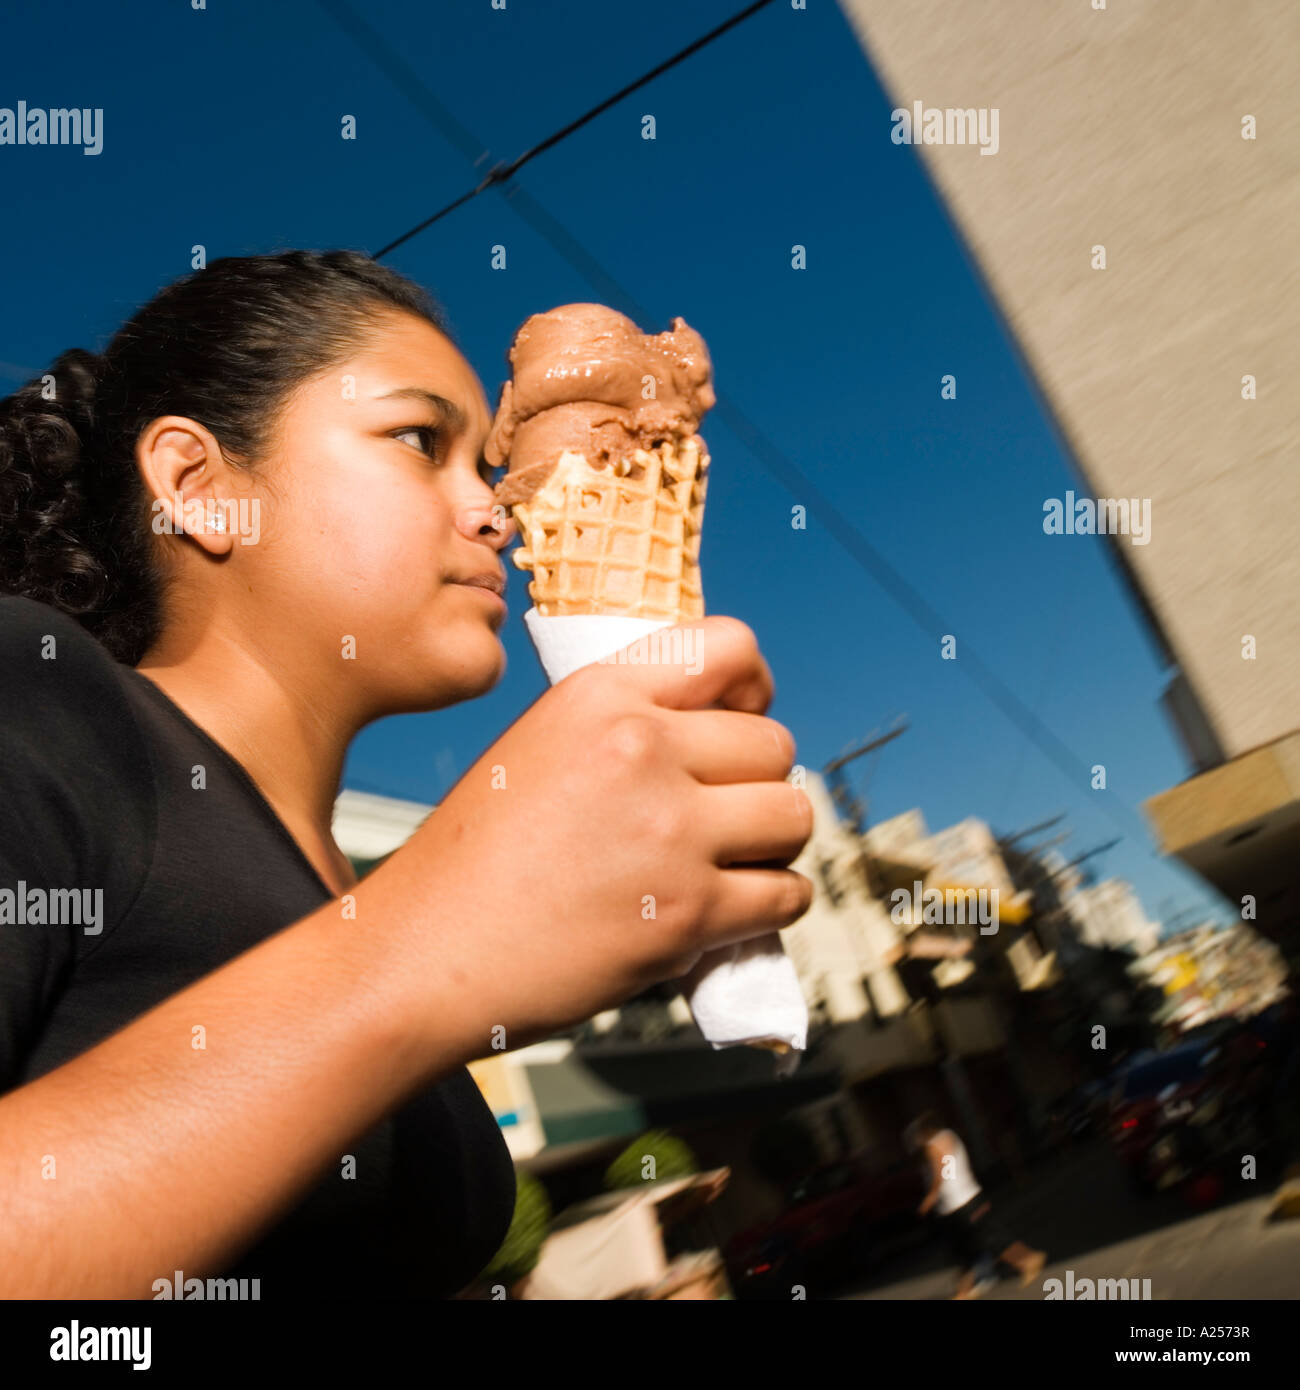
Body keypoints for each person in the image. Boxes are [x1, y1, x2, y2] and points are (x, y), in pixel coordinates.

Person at [0, 250, 814, 1297]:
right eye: (420, 441)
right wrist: (418, 954)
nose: (493, 509)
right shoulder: (37, 690)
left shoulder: (334, 878)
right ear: (198, 488)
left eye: (485, 462)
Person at [909, 1111, 1045, 1300]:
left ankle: (1029, 1259)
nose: (915, 1141)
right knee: (968, 1248)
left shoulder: (933, 1145)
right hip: (965, 1199)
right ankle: (964, 1291)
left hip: (959, 1204)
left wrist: (931, 1196)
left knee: (987, 1240)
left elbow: (943, 1169)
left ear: (924, 1132)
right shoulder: (949, 1135)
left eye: (915, 1136)